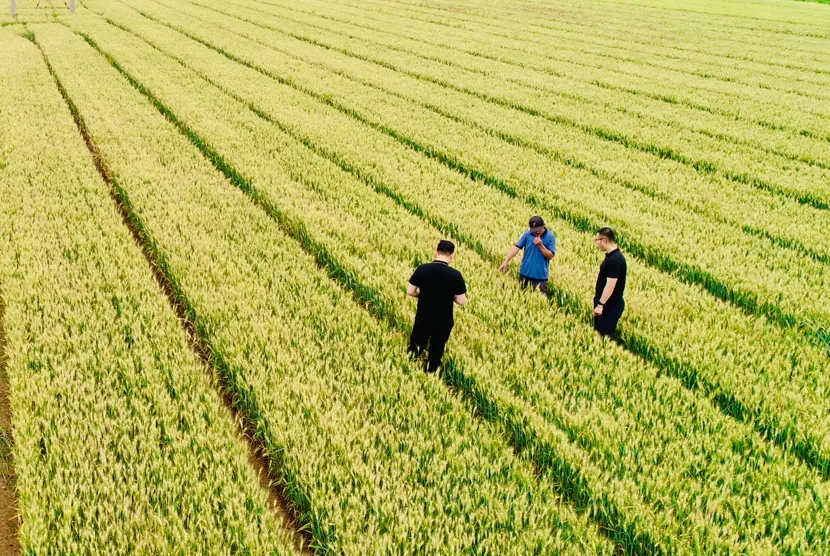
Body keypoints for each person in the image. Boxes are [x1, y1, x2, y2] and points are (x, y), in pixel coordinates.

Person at [407, 240, 468, 373]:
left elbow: (410, 291)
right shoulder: (455, 275)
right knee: (436, 353)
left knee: (414, 349)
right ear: (452, 256)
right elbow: (462, 301)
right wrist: (448, 296)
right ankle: (430, 374)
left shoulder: (422, 269)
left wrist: (423, 295)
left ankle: (408, 372)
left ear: (436, 252)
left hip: (423, 317)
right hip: (443, 321)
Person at [498, 215, 556, 293]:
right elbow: (516, 247)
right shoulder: (527, 234)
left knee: (539, 299)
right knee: (521, 296)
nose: (537, 232)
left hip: (540, 277)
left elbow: (550, 256)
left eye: (538, 229)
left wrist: (540, 245)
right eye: (534, 230)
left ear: (544, 226)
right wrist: (506, 261)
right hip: (524, 274)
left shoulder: (550, 237)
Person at [593, 227, 627, 337]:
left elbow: (610, 286)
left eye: (597, 240)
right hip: (607, 304)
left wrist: (600, 305)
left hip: (609, 306)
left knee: (604, 336)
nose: (596, 243)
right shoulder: (613, 257)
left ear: (604, 241)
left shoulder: (614, 260)